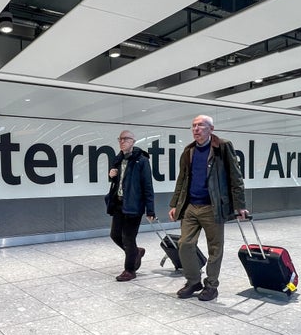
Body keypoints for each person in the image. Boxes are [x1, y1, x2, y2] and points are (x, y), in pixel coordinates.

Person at [168, 114, 248, 301]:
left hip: (213, 207)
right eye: (194, 126)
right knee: (185, 244)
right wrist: (174, 204)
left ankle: (211, 285)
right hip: (190, 206)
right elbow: (182, 179)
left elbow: (236, 177)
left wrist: (240, 205)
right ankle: (194, 281)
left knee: (215, 248)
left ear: (211, 129)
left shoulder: (223, 147)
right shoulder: (189, 151)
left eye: (201, 125)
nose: (196, 129)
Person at [106, 130, 156, 282]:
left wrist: (150, 209)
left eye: (126, 139)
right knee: (115, 235)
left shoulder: (141, 160)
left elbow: (148, 186)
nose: (122, 141)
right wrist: (111, 176)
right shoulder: (118, 159)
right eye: (120, 139)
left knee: (128, 237)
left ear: (133, 141)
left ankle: (130, 270)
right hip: (119, 203)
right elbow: (118, 182)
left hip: (134, 205)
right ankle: (136, 252)